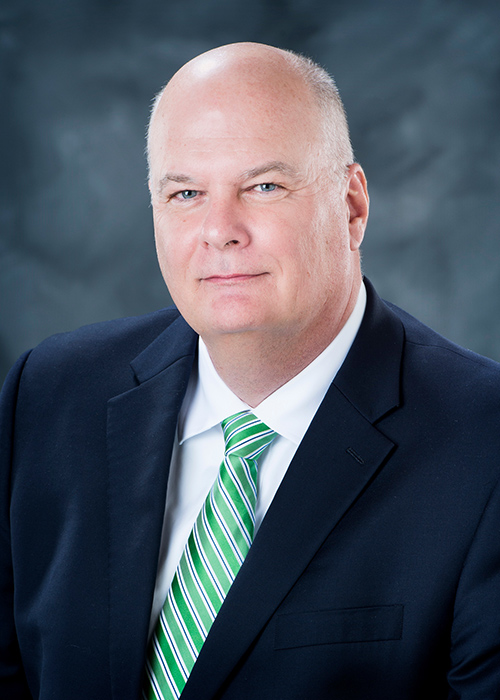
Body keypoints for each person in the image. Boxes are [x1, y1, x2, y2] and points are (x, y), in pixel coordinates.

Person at [1, 41, 500, 700]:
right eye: (185, 192)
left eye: (264, 186)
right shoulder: (51, 393)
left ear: (351, 205)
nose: (220, 230)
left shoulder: (483, 444)